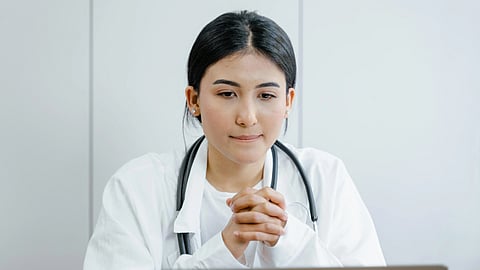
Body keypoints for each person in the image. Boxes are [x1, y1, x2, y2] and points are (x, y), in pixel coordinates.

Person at [83, 10, 386, 269]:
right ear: (194, 99)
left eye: (266, 95)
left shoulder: (325, 177)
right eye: (227, 94)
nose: (247, 117)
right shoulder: (138, 187)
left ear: (288, 101)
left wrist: (289, 238)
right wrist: (223, 250)